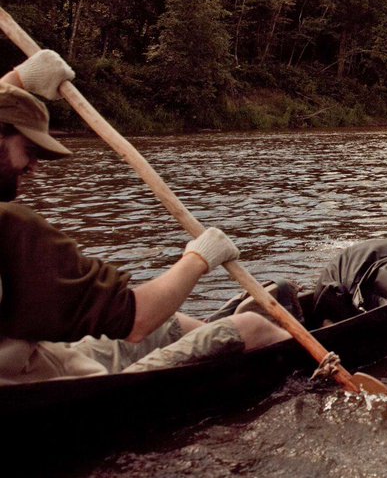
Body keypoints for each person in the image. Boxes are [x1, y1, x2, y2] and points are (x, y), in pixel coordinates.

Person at [0, 50, 289, 384]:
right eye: (31, 151)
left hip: (43, 357)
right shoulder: (14, 231)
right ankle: (287, 356)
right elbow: (138, 319)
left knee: (171, 323)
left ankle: (225, 336)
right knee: (251, 329)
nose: (33, 168)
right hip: (56, 387)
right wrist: (199, 258)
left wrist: (19, 79)